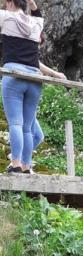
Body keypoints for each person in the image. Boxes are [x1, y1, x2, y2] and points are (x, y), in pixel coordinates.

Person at [0, 0, 44, 174]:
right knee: (27, 127)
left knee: (15, 124)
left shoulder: (5, 17)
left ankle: (16, 164)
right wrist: (32, 5)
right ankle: (26, 166)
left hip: (14, 74)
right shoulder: (36, 22)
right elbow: (39, 16)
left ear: (10, 2)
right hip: (34, 77)